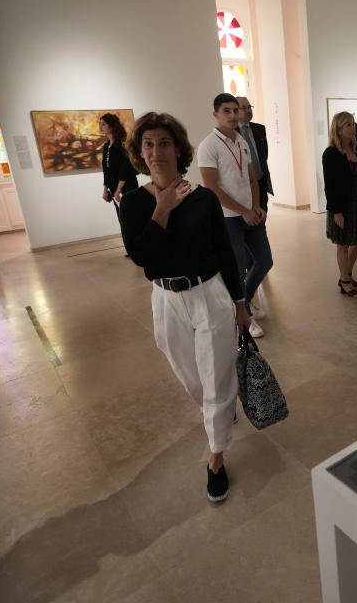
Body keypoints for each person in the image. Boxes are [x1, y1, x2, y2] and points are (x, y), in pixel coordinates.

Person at [119, 112, 251, 503]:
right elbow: (142, 256)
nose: (156, 151)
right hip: (165, 299)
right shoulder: (132, 204)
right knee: (191, 379)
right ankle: (222, 411)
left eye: (163, 142)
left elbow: (226, 254)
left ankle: (216, 458)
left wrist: (241, 303)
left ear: (178, 149)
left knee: (216, 377)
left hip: (210, 295)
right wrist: (163, 207)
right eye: (148, 144)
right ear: (139, 152)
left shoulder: (205, 199)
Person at [198, 93, 272, 338]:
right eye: (226, 111)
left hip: (251, 214)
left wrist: (257, 206)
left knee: (264, 261)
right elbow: (211, 188)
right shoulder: (208, 145)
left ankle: (244, 303)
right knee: (237, 267)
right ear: (215, 114)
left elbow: (252, 178)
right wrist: (243, 211)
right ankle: (243, 316)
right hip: (228, 218)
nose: (232, 115)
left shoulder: (241, 141)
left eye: (234, 110)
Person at [323, 111, 357, 297]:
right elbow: (330, 185)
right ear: (339, 129)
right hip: (342, 205)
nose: (353, 128)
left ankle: (347, 274)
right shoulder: (331, 153)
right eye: (348, 125)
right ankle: (344, 281)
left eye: (353, 123)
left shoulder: (356, 146)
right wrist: (336, 211)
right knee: (342, 243)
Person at [236, 96, 273, 318]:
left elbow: (263, 157)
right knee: (244, 253)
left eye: (250, 107)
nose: (248, 111)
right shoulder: (230, 136)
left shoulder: (259, 129)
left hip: (259, 184)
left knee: (261, 234)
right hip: (240, 195)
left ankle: (247, 296)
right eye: (243, 108)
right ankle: (243, 303)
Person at [99, 113, 139, 221]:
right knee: (121, 218)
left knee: (132, 218)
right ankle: (126, 238)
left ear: (111, 126)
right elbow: (106, 170)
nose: (100, 126)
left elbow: (125, 169)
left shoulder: (123, 145)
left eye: (103, 124)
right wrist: (105, 189)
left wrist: (118, 190)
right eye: (100, 124)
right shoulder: (107, 147)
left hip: (127, 188)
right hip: (114, 189)